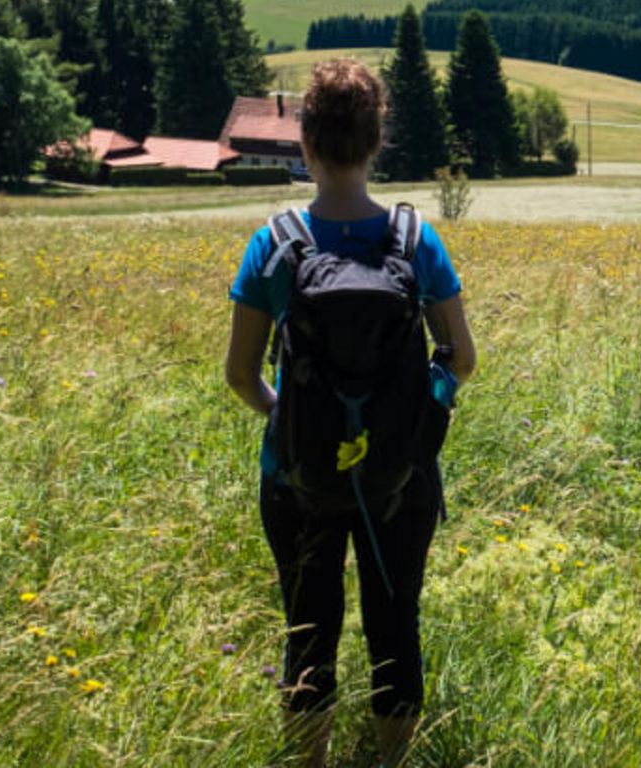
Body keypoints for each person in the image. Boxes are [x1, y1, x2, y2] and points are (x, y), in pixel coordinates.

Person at [223, 59, 476, 767]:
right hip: (399, 476)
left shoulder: (272, 246)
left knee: (309, 631)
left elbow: (240, 376)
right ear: (375, 141)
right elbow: (461, 359)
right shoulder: (414, 239)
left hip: (297, 476)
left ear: (305, 142)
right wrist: (406, 426)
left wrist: (293, 422)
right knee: (395, 626)